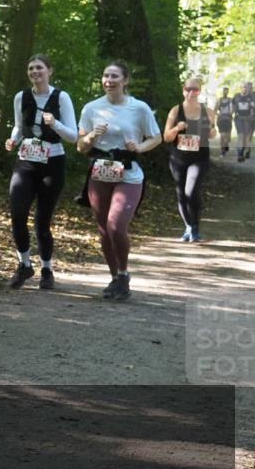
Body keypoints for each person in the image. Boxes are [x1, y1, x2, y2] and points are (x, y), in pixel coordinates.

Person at [76, 61, 162, 301]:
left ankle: (123, 273)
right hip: (100, 172)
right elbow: (81, 146)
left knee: (116, 225)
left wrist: (140, 147)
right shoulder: (91, 108)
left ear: (125, 81)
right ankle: (115, 278)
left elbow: (156, 137)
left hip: (129, 174)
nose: (109, 80)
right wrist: (92, 136)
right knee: (104, 229)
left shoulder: (139, 108)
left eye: (114, 76)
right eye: (106, 76)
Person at [3, 54, 78, 290]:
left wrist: (55, 123)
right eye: (31, 68)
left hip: (52, 162)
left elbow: (73, 136)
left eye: (39, 68)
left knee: (42, 222)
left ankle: (47, 269)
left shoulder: (61, 97)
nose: (35, 72)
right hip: (25, 161)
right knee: (17, 215)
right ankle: (24, 264)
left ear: (49, 71)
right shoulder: (21, 97)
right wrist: (13, 140)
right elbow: (18, 127)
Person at [163, 77, 217, 242]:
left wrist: (212, 131)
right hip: (178, 158)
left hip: (200, 158)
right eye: (188, 89)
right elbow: (166, 137)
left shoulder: (208, 111)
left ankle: (195, 227)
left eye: (195, 89)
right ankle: (189, 227)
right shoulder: (175, 111)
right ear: (183, 90)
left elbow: (213, 132)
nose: (191, 92)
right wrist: (177, 128)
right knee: (181, 193)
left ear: (199, 91)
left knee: (191, 191)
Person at [234, 81, 254, 162]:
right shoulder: (237, 96)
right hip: (240, 118)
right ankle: (240, 153)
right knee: (241, 135)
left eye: (247, 87)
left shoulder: (252, 97)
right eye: (244, 87)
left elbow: (252, 107)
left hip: (250, 119)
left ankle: (245, 151)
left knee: (248, 137)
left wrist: (252, 113)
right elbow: (234, 107)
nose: (246, 89)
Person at [215, 87, 234, 157]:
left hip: (228, 119)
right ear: (222, 92)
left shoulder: (230, 100)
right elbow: (215, 110)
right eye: (224, 91)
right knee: (222, 135)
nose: (225, 93)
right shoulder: (219, 100)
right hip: (221, 120)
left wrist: (231, 112)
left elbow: (233, 109)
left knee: (228, 138)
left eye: (226, 91)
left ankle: (226, 145)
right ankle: (222, 151)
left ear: (228, 92)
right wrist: (218, 114)